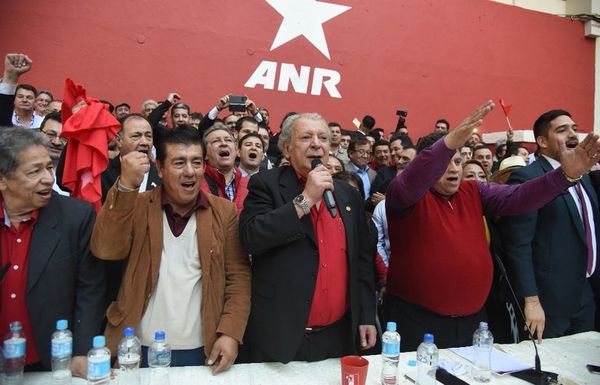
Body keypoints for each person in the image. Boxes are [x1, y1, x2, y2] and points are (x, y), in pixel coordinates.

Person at [384, 101, 600, 351]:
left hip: (474, 323)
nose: (453, 169)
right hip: (416, 321)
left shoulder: (473, 191)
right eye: (444, 162)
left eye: (457, 161)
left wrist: (565, 176)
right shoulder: (405, 196)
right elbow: (414, 179)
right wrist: (449, 142)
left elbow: (519, 197)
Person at [91, 126, 251, 372]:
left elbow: (238, 278)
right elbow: (106, 249)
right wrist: (125, 187)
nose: (190, 171)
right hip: (137, 349)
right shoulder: (138, 204)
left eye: (196, 162)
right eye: (179, 163)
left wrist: (230, 332)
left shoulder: (224, 211)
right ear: (160, 168)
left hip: (202, 349)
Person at [239, 113, 377, 363]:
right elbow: (252, 237)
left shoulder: (347, 195)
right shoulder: (265, 184)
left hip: (338, 335)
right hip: (282, 337)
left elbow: (362, 261)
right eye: (306, 137)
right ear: (287, 148)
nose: (316, 144)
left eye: (323, 138)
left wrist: (366, 314)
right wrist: (305, 200)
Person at [0, 127, 106, 376]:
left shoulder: (75, 217)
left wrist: (82, 351)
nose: (48, 178)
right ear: (3, 179)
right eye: (34, 171)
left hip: (51, 362)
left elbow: (90, 289)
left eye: (49, 167)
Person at [500, 109, 600, 341]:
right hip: (546, 302)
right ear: (542, 141)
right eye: (562, 130)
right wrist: (531, 300)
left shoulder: (584, 176)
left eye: (574, 128)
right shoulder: (528, 178)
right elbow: (518, 245)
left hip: (585, 294)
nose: (572, 134)